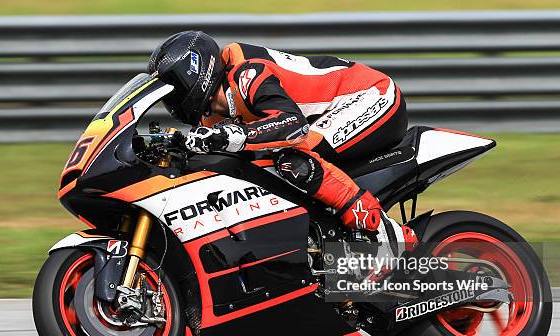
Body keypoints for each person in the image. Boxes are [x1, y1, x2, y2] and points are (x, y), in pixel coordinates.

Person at [147, 31, 417, 260]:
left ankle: (386, 235)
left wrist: (235, 135)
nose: (172, 99)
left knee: (293, 160)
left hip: (370, 97)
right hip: (330, 115)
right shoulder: (212, 114)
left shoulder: (247, 73)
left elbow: (292, 125)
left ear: (195, 73)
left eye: (175, 86)